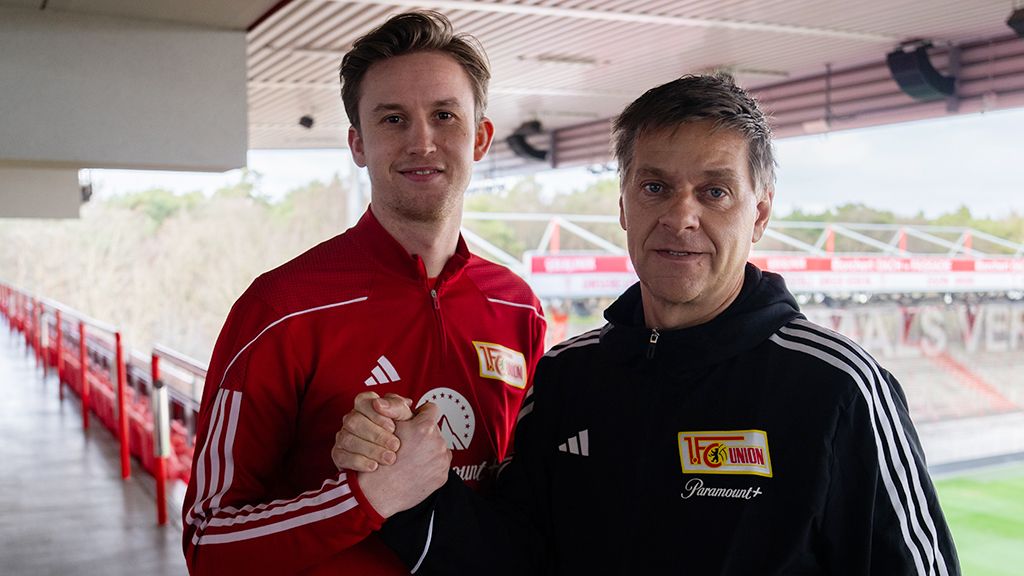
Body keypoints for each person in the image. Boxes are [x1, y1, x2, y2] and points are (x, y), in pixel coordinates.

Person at [334, 74, 961, 575]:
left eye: (714, 192)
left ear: (760, 211)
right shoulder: (568, 377)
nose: (680, 217)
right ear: (624, 205)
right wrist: (408, 486)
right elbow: (514, 555)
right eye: (656, 187)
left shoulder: (838, 388)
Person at [181, 11, 546, 575]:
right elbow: (208, 543)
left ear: (480, 138)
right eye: (393, 119)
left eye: (444, 116)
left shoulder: (518, 306)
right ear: (358, 143)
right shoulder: (281, 308)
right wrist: (366, 499)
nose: (422, 141)